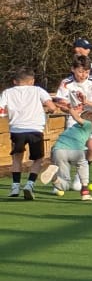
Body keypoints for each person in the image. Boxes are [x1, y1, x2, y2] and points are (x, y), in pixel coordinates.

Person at [3, 69, 57, 200]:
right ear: (32, 81)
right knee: (38, 159)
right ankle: (30, 184)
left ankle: (15, 186)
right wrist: (48, 111)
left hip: (17, 129)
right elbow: (52, 107)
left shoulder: (7, 92)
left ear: (15, 81)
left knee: (17, 158)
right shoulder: (38, 90)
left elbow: (1, 109)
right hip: (35, 129)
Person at [53, 59, 92, 167]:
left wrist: (87, 102)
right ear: (73, 69)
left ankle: (85, 167)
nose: (83, 75)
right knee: (73, 146)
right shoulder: (66, 83)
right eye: (81, 71)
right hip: (74, 117)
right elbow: (62, 104)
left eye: (86, 72)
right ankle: (62, 166)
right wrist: (69, 108)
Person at [48, 105, 92, 200]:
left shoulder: (72, 128)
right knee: (83, 164)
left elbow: (54, 147)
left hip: (58, 150)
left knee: (65, 183)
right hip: (75, 150)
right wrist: (70, 109)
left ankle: (54, 179)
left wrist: (52, 160)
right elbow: (78, 118)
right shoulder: (89, 125)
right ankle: (85, 191)